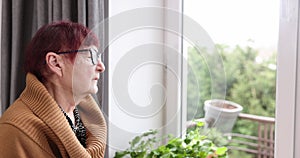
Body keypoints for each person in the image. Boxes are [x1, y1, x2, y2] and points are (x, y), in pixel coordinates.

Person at [0, 21, 107, 157]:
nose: (101, 67)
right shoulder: (15, 131)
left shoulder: (87, 121)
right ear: (55, 63)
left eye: (98, 57)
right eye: (90, 56)